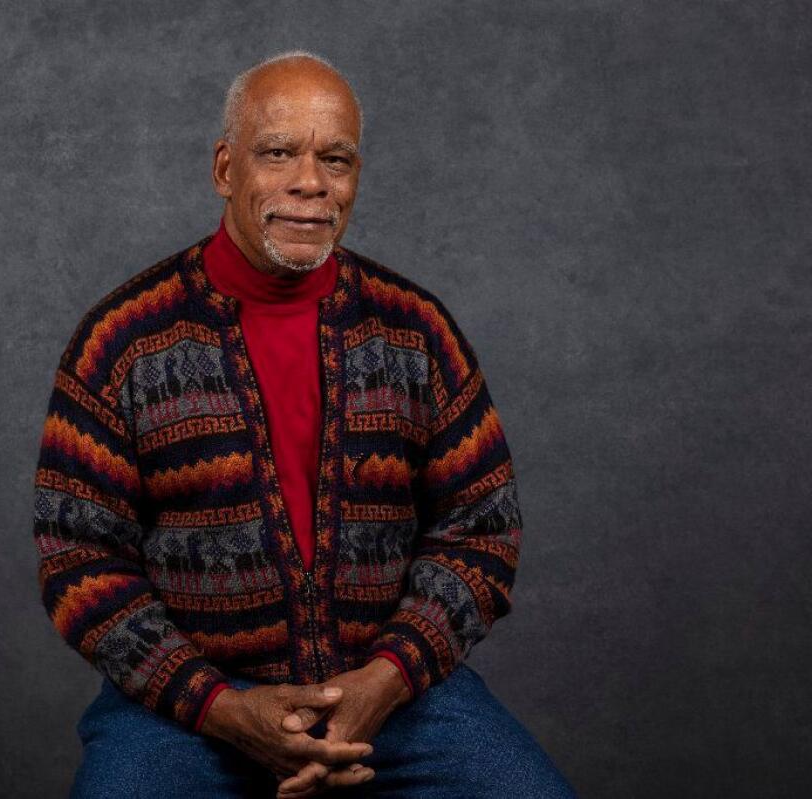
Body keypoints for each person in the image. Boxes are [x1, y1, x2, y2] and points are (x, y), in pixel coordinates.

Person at [32, 50, 577, 798]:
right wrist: (220, 707)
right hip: (185, 710)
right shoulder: (120, 341)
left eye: (336, 158)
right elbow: (79, 562)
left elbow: (481, 529)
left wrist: (382, 682)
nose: (311, 182)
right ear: (226, 169)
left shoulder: (416, 331)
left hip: (398, 699)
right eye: (279, 152)